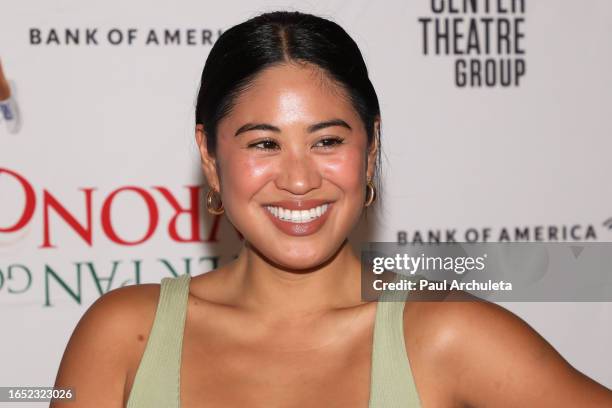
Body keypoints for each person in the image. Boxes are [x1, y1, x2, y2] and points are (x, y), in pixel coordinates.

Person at [52, 10, 612, 407]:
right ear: (210, 154)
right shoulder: (124, 334)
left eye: (327, 141)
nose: (300, 180)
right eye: (263, 143)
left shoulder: (449, 334)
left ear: (369, 150)